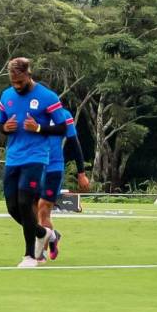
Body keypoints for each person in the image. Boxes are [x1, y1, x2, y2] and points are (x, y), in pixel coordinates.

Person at [0, 57, 64, 268]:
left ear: (28, 74)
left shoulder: (47, 96)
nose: (16, 86)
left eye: (20, 82)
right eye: (13, 82)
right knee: (12, 207)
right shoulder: (6, 95)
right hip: (13, 157)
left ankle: (30, 256)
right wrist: (5, 128)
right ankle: (46, 234)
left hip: (36, 157)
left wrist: (40, 129)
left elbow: (62, 128)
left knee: (26, 203)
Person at [26, 105, 90, 260]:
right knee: (31, 208)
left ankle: (39, 252)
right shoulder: (29, 114)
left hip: (54, 167)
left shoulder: (63, 115)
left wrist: (81, 173)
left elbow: (74, 143)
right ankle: (53, 237)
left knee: (43, 208)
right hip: (34, 165)